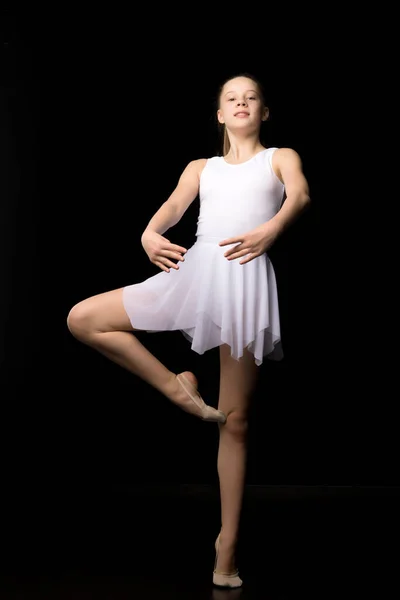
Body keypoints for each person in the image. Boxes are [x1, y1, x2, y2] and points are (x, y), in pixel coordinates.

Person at [67, 72, 311, 588]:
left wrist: (272, 228)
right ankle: (177, 389)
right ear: (220, 114)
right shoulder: (201, 166)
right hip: (195, 274)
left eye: (251, 98)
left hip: (244, 278)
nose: (242, 103)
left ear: (263, 112)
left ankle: (227, 544)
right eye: (231, 98)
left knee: (236, 420)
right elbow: (174, 209)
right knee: (83, 318)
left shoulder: (280, 157)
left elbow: (301, 196)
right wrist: (149, 234)